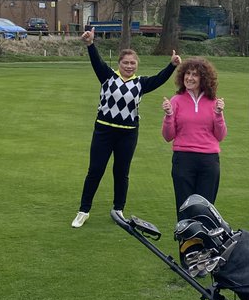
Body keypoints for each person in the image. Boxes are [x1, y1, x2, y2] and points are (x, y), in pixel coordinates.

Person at [72, 32, 181, 227]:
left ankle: (118, 209)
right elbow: (96, 61)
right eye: (126, 63)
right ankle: (83, 210)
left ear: (137, 65)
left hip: (128, 133)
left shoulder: (141, 83)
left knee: (121, 172)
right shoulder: (107, 76)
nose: (129, 66)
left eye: (132, 63)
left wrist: (172, 65)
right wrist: (90, 44)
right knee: (95, 170)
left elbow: (160, 79)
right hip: (104, 131)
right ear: (119, 63)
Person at [162, 57, 226, 212]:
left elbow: (220, 136)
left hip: (209, 161)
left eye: (195, 75)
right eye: (187, 73)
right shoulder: (176, 100)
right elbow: (168, 136)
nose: (189, 78)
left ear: (203, 78)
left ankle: (205, 237)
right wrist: (169, 115)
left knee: (205, 209)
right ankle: (187, 237)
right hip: (183, 159)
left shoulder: (213, 101)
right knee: (185, 207)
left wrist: (219, 114)